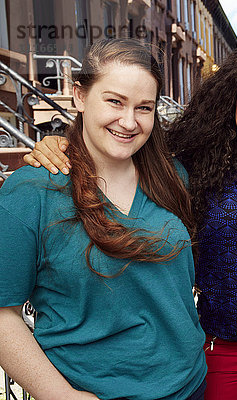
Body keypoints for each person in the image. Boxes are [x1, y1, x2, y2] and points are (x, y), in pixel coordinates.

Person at [23, 44, 237, 400]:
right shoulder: (189, 168)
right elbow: (124, 139)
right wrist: (59, 144)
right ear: (232, 101)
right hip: (220, 341)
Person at [0, 39, 207, 400]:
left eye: (144, 107)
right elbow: (4, 315)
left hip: (189, 387)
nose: (129, 122)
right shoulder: (31, 191)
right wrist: (62, 396)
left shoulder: (173, 177)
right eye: (114, 101)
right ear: (80, 96)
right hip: (90, 391)